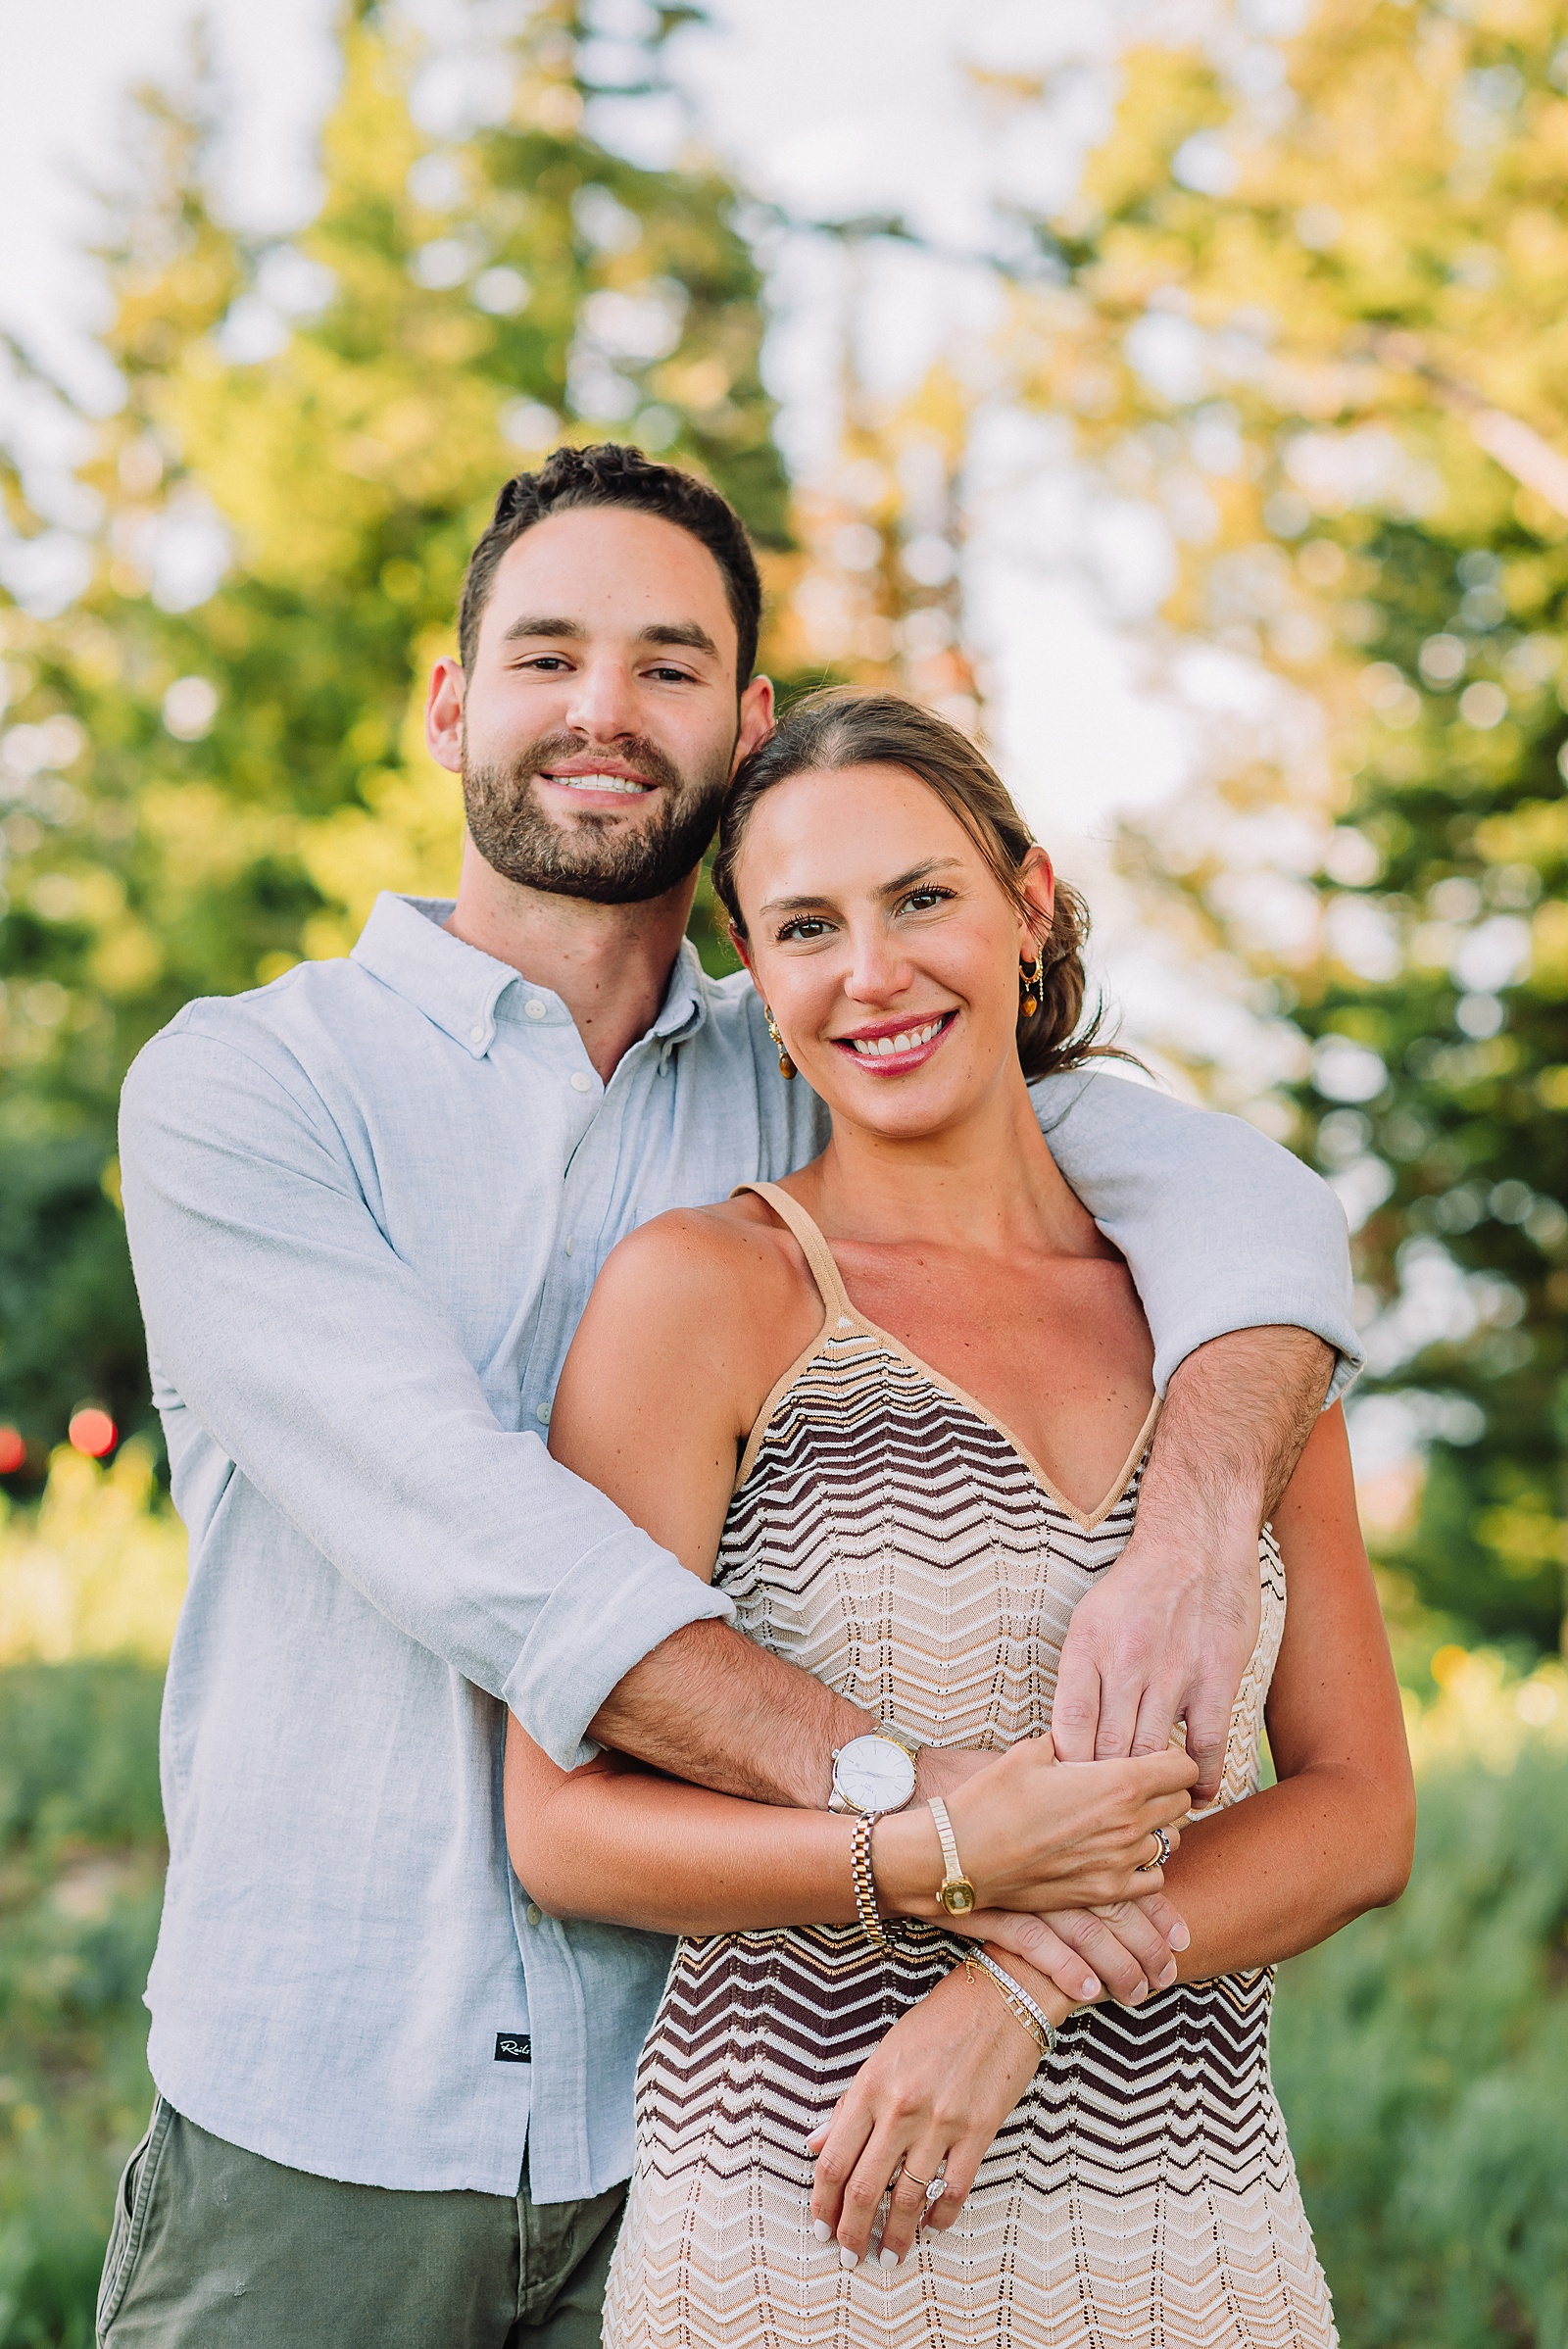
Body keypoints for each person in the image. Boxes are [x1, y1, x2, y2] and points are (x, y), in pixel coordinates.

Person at [104, 446, 1356, 2347]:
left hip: (733, 2150)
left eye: (667, 662)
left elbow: (1229, 1201)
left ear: (744, 718)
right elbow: (486, 1539)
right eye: (545, 656)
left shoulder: (813, 1056)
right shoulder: (251, 1091)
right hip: (322, 2124)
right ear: (451, 703)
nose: (603, 707)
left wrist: (1193, 1521)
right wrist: (912, 1804)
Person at [506, 689, 1416, 2349]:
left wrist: (1017, 1981)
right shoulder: (709, 1295)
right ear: (757, 981)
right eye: (804, 926)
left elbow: (1359, 1814)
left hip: (1194, 2257)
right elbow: (566, 1830)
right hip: (799, 2243)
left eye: (923, 896)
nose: (874, 971)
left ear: (1030, 901)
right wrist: (918, 1856)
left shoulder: (1230, 1329)